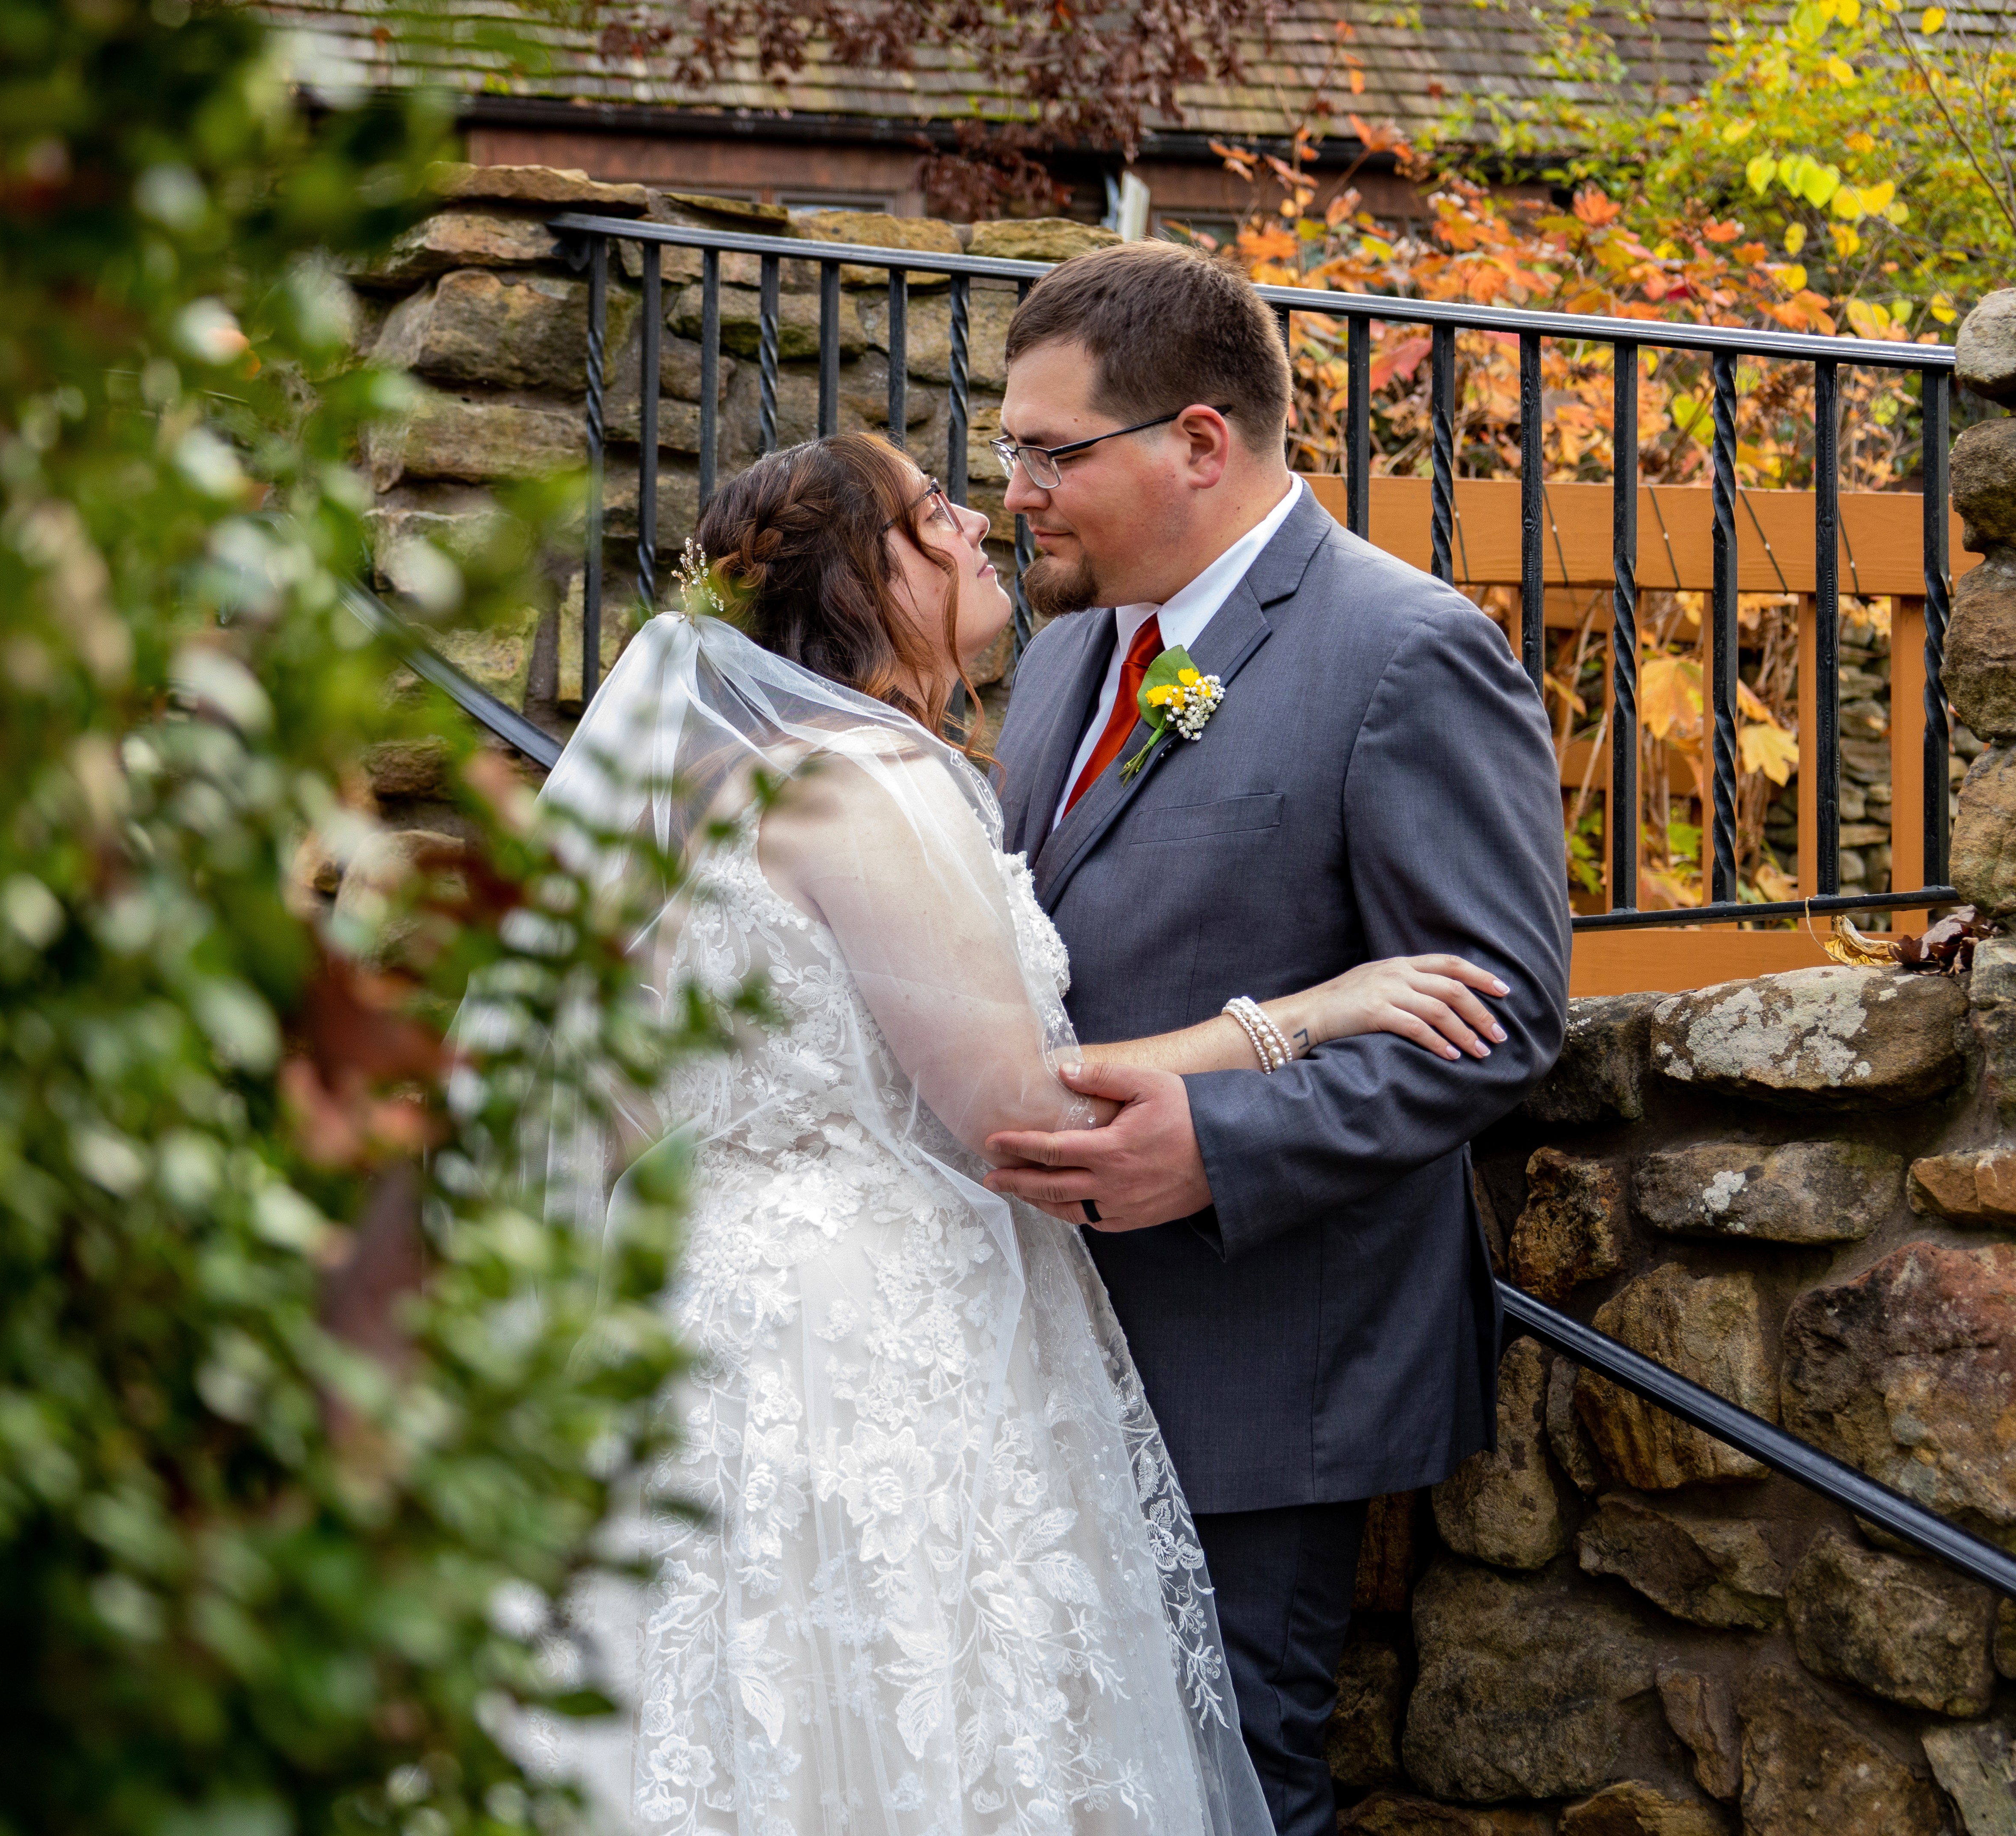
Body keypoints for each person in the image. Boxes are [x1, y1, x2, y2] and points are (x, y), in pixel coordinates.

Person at [537, 431, 1518, 1836]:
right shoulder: (866, 780)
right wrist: (1305, 1013)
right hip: (878, 1342)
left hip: (726, 1315)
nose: (986, 517)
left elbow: (625, 1096)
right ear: (868, 581)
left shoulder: (719, 793)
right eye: (937, 511)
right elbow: (1024, 1109)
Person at [974, 242, 1572, 1836]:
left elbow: (1498, 1012)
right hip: (1045, 1333)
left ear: (1197, 442)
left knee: (1232, 1782)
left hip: (1266, 1356)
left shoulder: (1404, 649)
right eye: (1008, 448)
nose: (1015, 490)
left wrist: (1213, 1147)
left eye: (1052, 451)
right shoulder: (1060, 662)